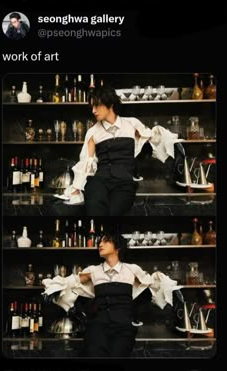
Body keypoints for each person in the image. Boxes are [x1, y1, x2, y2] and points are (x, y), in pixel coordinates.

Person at [42, 232, 181, 358]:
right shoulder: (93, 271)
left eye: (105, 241)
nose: (100, 244)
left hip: (123, 328)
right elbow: (70, 281)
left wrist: (170, 288)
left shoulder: (131, 270)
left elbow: (153, 282)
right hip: (97, 327)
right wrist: (52, 289)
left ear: (117, 247)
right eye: (99, 242)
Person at [54, 86, 182, 215]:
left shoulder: (131, 124)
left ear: (110, 104)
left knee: (115, 212)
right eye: (92, 107)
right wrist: (76, 187)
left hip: (124, 182)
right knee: (95, 208)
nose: (93, 111)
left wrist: (166, 138)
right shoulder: (92, 132)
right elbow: (87, 161)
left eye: (96, 106)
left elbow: (152, 138)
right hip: (99, 181)